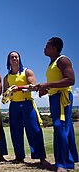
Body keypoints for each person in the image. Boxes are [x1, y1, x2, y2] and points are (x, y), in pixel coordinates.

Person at [36, 37, 78, 171]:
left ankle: (64, 164)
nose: (44, 48)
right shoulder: (52, 63)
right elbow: (56, 82)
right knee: (64, 129)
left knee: (60, 127)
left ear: (54, 48)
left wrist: (47, 85)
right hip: (54, 97)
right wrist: (46, 89)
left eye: (47, 46)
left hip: (62, 98)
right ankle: (69, 160)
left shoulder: (63, 60)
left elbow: (71, 80)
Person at [3, 51, 46, 163]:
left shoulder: (27, 72)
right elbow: (4, 92)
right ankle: (19, 156)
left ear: (19, 59)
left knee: (34, 129)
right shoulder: (7, 77)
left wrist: (19, 87)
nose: (14, 59)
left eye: (16, 57)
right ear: (9, 61)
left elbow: (34, 86)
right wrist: (8, 93)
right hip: (14, 105)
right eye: (12, 57)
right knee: (15, 131)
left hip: (27, 103)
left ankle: (40, 157)